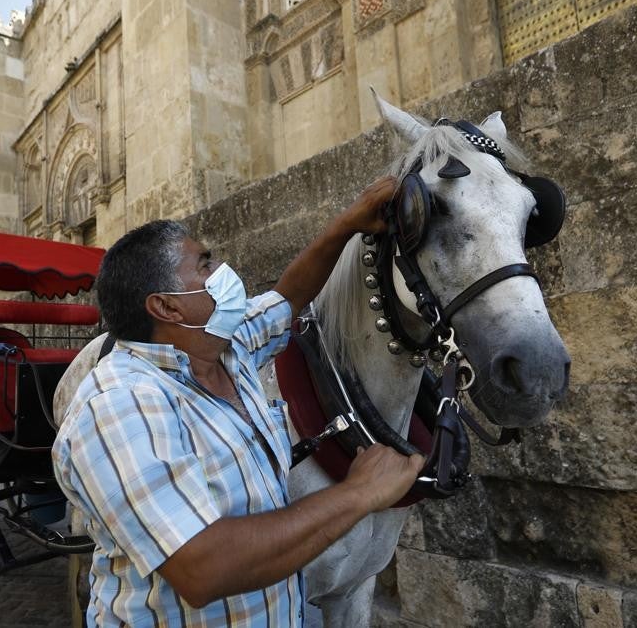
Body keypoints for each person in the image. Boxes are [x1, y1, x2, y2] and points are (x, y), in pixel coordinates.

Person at [52, 178, 424, 626]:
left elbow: (289, 298)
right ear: (168, 308)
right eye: (205, 265)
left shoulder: (225, 347)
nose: (223, 271)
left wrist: (347, 223)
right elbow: (202, 567)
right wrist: (359, 493)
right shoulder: (118, 407)